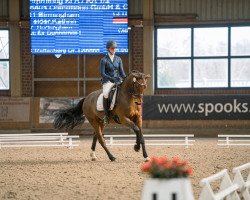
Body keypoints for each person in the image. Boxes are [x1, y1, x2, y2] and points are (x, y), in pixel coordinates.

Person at [100, 40, 126, 125]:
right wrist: (111, 78)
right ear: (108, 49)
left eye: (115, 48)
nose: (114, 50)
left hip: (117, 80)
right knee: (106, 94)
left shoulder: (118, 59)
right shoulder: (104, 60)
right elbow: (102, 73)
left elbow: (121, 72)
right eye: (112, 48)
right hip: (107, 81)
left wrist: (125, 79)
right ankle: (106, 115)